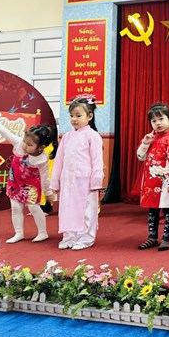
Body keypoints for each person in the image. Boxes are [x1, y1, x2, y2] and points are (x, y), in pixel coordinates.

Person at [0, 107, 56, 243]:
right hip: (15, 182)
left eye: (29, 145)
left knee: (34, 207)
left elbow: (45, 178)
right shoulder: (19, 144)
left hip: (31, 186)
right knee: (15, 208)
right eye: (25, 141)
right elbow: (5, 132)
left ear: (41, 147)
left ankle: (43, 232)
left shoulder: (42, 159)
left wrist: (48, 193)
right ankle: (19, 233)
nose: (24, 145)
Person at [50, 95, 104, 251]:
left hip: (85, 181)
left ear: (89, 116)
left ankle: (86, 238)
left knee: (86, 210)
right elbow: (59, 161)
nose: (74, 119)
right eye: (72, 115)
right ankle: (69, 236)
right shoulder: (67, 137)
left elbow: (97, 160)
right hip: (68, 181)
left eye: (78, 116)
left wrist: (96, 181)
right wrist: (55, 182)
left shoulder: (93, 136)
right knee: (67, 208)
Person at [134, 103, 169, 251]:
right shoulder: (151, 138)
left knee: (168, 210)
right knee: (152, 210)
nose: (158, 123)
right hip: (151, 182)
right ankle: (152, 237)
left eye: (161, 119)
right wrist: (145, 143)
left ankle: (166, 238)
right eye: (154, 121)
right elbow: (140, 156)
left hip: (166, 182)